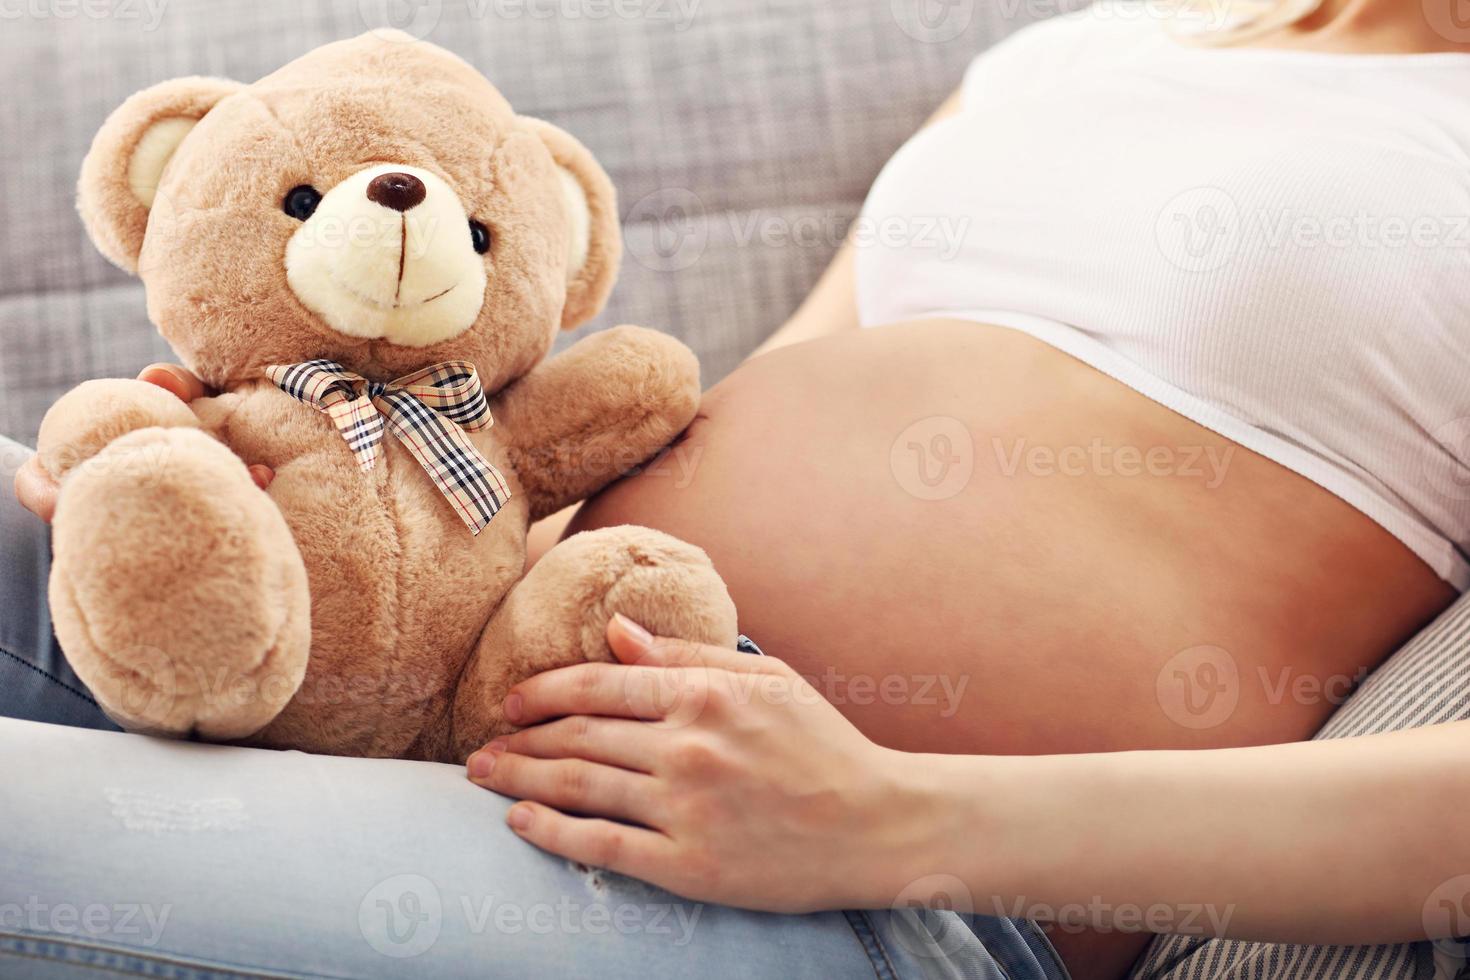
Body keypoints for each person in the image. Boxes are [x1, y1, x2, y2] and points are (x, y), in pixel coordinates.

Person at [9, 2, 1470, 978]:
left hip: (864, 896)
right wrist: (330, 512)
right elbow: (704, 417)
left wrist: (889, 817)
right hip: (477, 709)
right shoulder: (1077, 56)